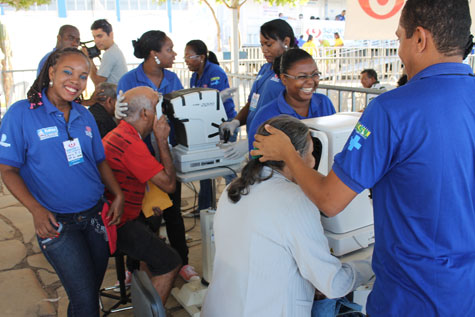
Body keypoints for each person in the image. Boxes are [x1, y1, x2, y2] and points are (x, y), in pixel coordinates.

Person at [251, 0, 475, 315]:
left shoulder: (390, 111)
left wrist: (288, 152)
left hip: (411, 296)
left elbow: (330, 200)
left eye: (400, 39)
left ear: (420, 39)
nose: (399, 51)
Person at [202, 115, 373, 316]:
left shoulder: (234, 188)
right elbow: (333, 284)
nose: (314, 161)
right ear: (295, 157)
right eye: (310, 153)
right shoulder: (295, 200)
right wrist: (372, 266)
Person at [0, 48, 124, 316]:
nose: (75, 81)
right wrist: (35, 209)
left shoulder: (84, 114)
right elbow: (7, 169)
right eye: (67, 72)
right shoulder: (22, 114)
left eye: (82, 76)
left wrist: (117, 194)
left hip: (94, 218)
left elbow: (99, 160)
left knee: (90, 292)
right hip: (57, 224)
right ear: (51, 72)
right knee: (85, 301)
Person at [116, 30, 197, 283]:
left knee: (172, 211)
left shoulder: (172, 79)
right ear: (155, 55)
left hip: (166, 152)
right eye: (169, 50)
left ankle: (181, 262)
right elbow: (121, 120)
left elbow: (185, 112)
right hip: (138, 157)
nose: (174, 54)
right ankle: (134, 266)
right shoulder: (129, 80)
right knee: (142, 215)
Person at [103, 86, 181, 305]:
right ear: (145, 114)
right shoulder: (131, 144)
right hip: (118, 223)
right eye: (156, 108)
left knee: (153, 242)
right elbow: (169, 184)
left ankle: (144, 300)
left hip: (116, 214)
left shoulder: (120, 133)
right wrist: (162, 141)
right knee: (170, 262)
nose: (159, 114)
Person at [219, 19, 297, 145]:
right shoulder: (265, 69)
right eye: (262, 44)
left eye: (269, 44)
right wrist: (235, 122)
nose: (264, 50)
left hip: (275, 146)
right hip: (255, 142)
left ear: (286, 42)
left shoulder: (293, 72)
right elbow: (252, 104)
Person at [184, 39, 237, 214]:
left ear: (201, 57)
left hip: (225, 124)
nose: (186, 60)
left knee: (227, 168)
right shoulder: (194, 76)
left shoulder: (215, 72)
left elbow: (214, 102)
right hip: (206, 126)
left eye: (189, 56)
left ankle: (236, 205)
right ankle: (204, 207)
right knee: (204, 168)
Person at [247, 48, 335, 150]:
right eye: (302, 76)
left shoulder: (324, 103)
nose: (310, 81)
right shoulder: (267, 116)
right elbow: (256, 160)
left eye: (315, 74)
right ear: (284, 79)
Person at [85, 19, 127, 85]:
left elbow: (98, 82)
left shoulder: (110, 54)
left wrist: (88, 59)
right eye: (94, 37)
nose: (96, 41)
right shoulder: (114, 50)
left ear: (111, 35)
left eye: (100, 36)